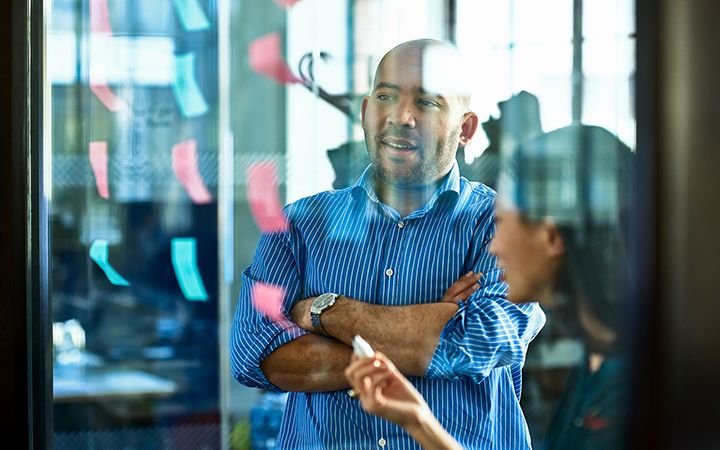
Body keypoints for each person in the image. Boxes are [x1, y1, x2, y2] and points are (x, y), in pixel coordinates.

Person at [230, 39, 546, 450]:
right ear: (366, 112)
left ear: (466, 129)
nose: (401, 117)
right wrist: (427, 335)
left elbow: (479, 340)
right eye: (386, 96)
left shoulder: (501, 224)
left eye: (428, 103)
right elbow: (256, 355)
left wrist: (323, 312)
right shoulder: (299, 225)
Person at [345, 124, 632, 449]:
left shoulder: (633, 384)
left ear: (551, 235)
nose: (493, 248)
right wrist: (418, 420)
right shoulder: (595, 360)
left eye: (501, 222)